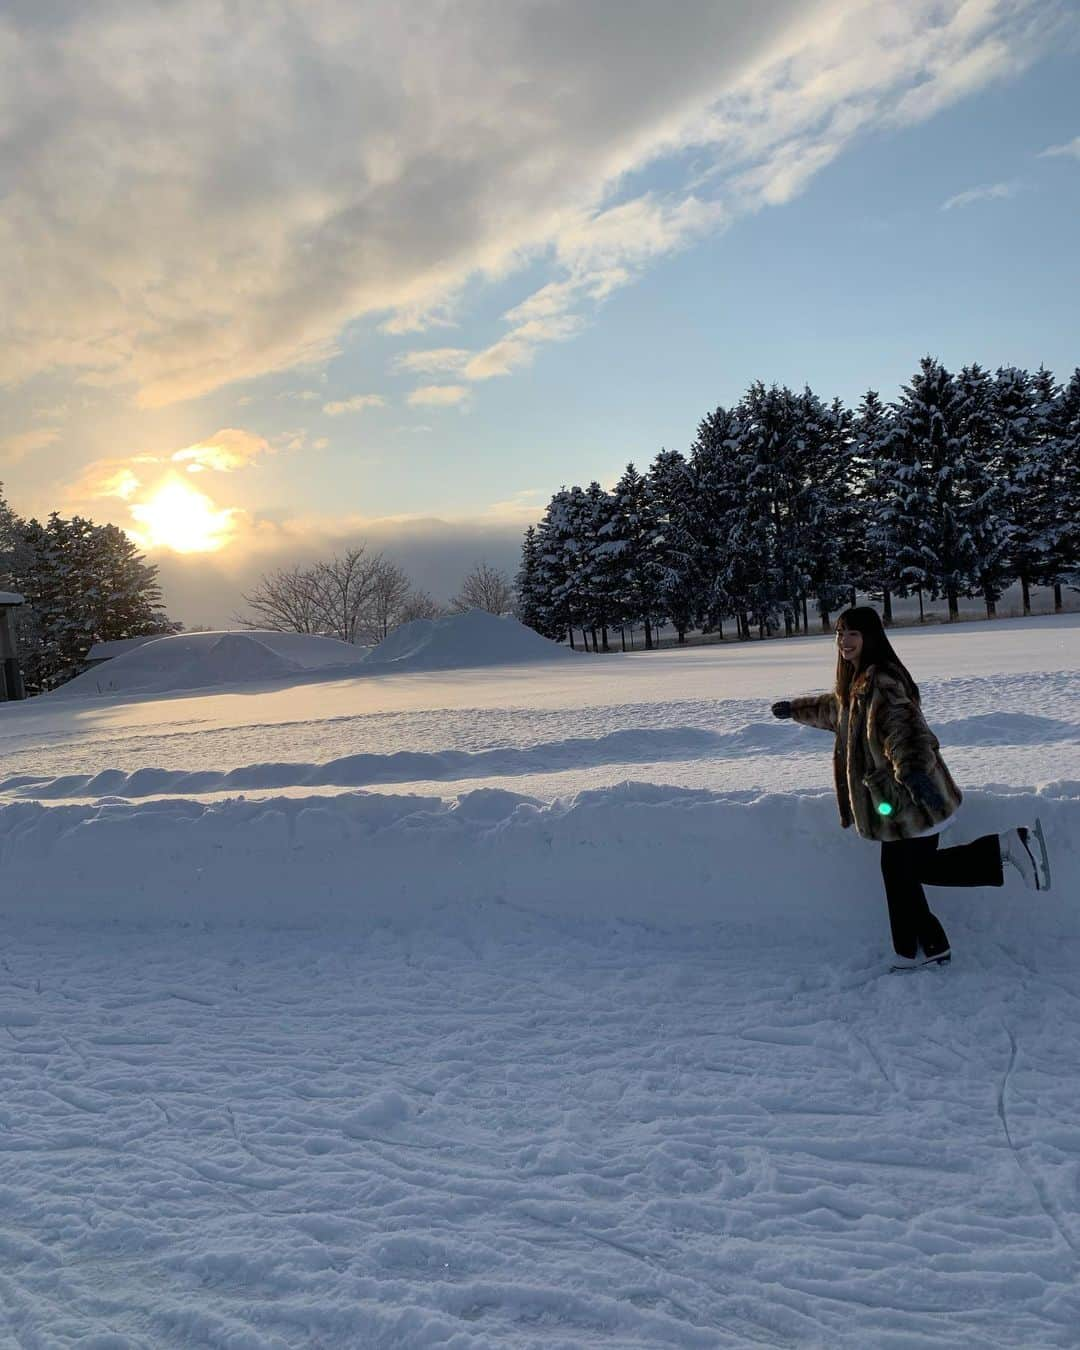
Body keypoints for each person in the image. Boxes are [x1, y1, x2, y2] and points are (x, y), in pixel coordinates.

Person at [770, 606, 1051, 969]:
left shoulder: (882, 682)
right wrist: (794, 709)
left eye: (853, 633)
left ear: (870, 637)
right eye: (840, 633)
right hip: (895, 800)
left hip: (912, 798)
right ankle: (927, 947)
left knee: (914, 871)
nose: (844, 641)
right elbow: (834, 710)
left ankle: (1006, 847)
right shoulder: (857, 684)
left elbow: (906, 732)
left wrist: (913, 772)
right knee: (901, 872)